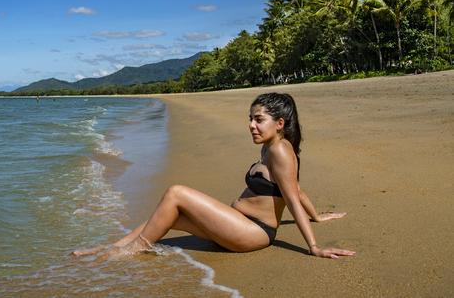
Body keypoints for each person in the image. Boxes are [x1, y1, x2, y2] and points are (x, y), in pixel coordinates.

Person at [73, 93, 355, 259]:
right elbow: (296, 188)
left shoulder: (281, 150)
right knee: (165, 217)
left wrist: (314, 246)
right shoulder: (271, 149)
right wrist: (316, 216)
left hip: (253, 233)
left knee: (176, 192)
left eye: (259, 119)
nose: (251, 126)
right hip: (239, 227)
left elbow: (292, 197)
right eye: (250, 118)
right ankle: (110, 247)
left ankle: (129, 253)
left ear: (279, 123)